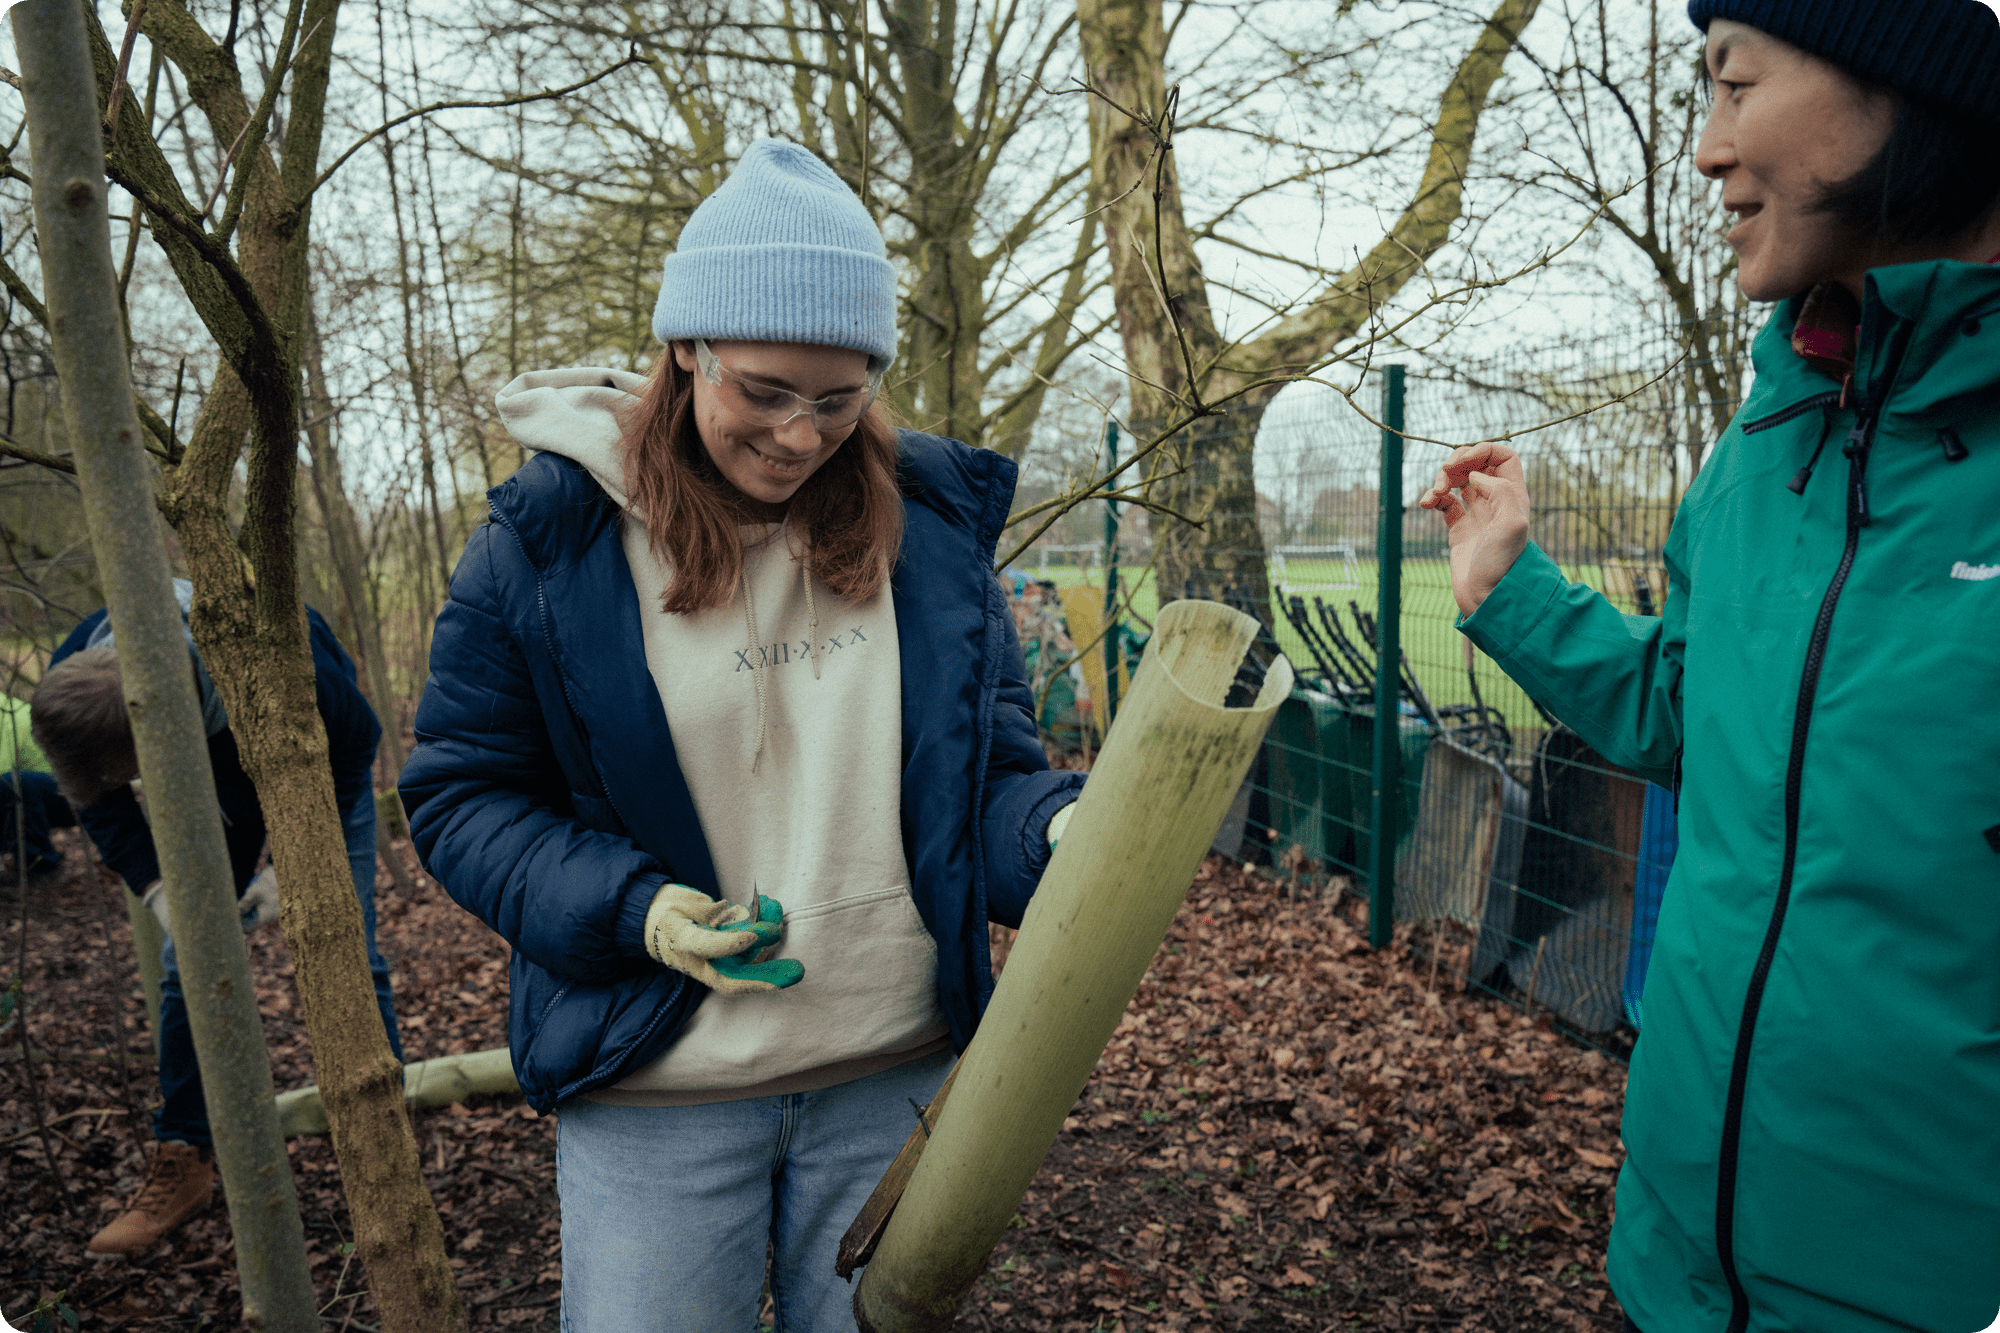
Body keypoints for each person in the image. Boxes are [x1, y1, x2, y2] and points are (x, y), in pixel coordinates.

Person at [398, 139, 1084, 1332]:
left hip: (891, 1081)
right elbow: (463, 798)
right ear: (686, 350)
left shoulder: (929, 539)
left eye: (837, 398)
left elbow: (984, 785)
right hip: (657, 1088)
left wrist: (1065, 832)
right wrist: (635, 909)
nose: (800, 434)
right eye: (762, 392)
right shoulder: (546, 545)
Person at [1419, 3, 2000, 1331]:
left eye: (1733, 85)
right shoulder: (1763, 443)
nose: (1705, 149)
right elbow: (1694, 714)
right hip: (1673, 1268)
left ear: (1919, 78)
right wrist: (1508, 588)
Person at [32, 579, 404, 1256]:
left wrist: (294, 866)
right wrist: (157, 891)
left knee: (348, 945)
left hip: (316, 766)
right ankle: (186, 1157)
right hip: (202, 783)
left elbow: (356, 745)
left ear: (154, 730)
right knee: (187, 962)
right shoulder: (74, 671)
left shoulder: (272, 653)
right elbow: (95, 801)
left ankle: (384, 1142)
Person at [0, 690, 74, 883]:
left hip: (74, 792)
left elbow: (3, 773)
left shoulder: (5, 715)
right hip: (37, 797)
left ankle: (41, 864)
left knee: (10, 783)